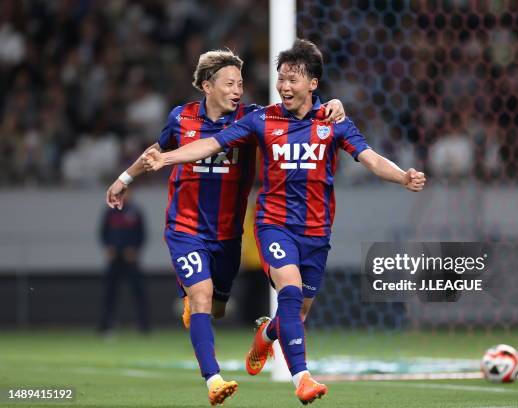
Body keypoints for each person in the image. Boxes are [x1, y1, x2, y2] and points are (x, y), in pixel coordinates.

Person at [142, 39, 425, 404]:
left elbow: (370, 158)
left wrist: (403, 177)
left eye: (294, 79)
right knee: (288, 292)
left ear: (313, 84)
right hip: (274, 225)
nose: (285, 86)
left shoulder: (333, 122)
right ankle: (302, 379)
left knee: (298, 311)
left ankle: (266, 336)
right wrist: (168, 159)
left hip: (316, 232)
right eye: (281, 79)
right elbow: (212, 144)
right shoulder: (262, 119)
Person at [105, 49, 346, 406]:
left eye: (241, 84)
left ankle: (259, 331)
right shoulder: (182, 119)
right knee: (200, 296)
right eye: (230, 83)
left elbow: (297, 114)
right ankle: (213, 380)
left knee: (216, 307)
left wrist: (332, 102)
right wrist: (125, 177)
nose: (238, 90)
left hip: (228, 234)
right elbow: (157, 150)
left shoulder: (251, 120)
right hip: (186, 228)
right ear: (207, 85)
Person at [99, 189, 149, 334]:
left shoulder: (135, 211)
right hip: (114, 258)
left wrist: (134, 249)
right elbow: (103, 232)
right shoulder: (110, 211)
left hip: (130, 258)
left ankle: (143, 326)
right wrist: (109, 248)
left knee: (138, 292)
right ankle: (106, 325)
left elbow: (142, 234)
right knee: (110, 293)